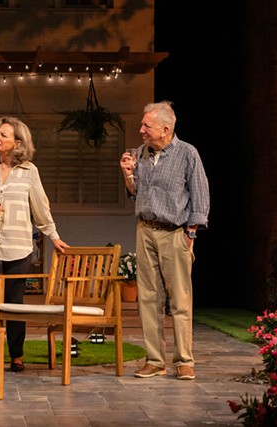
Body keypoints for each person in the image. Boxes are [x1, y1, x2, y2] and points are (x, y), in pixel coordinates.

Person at [0, 116, 69, 374]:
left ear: (18, 143)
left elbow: (40, 207)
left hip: (17, 244)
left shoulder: (29, 171)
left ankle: (17, 355)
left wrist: (53, 236)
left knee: (15, 301)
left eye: (4, 135)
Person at [119, 101, 210, 381]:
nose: (141, 130)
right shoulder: (140, 153)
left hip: (175, 232)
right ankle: (155, 360)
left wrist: (191, 232)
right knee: (148, 297)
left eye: (147, 125)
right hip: (145, 229)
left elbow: (200, 195)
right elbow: (136, 193)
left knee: (180, 299)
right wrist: (128, 174)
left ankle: (184, 360)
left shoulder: (186, 154)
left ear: (166, 129)